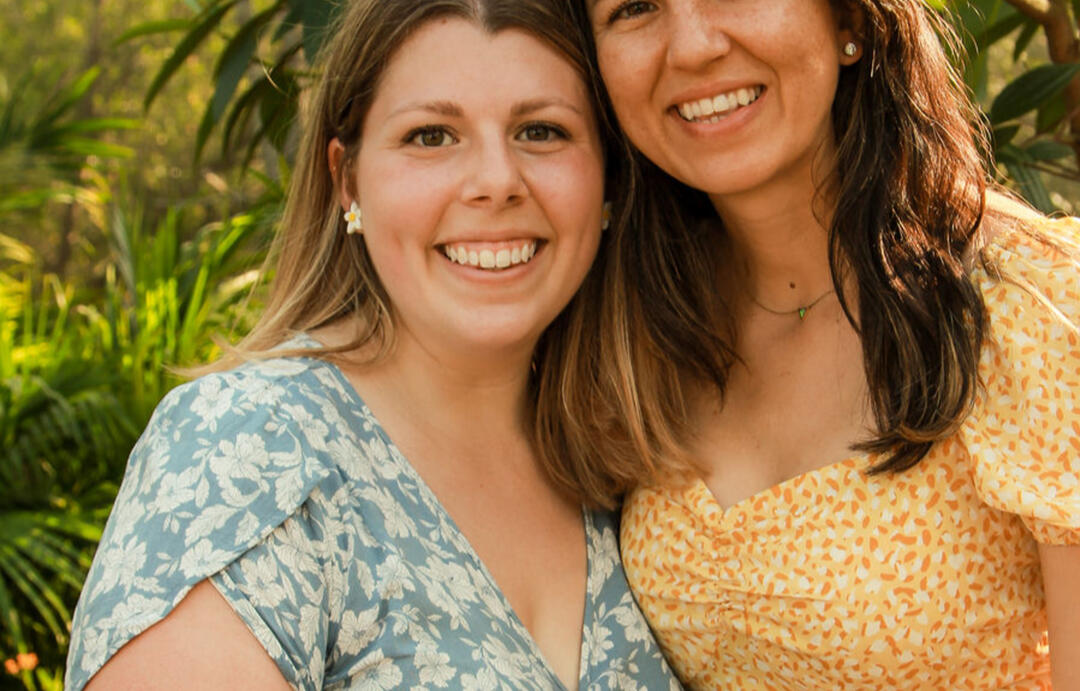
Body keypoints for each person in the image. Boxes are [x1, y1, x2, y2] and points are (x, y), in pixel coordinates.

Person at [565, 0, 1080, 688]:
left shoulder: (1045, 308)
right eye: (634, 7)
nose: (692, 46)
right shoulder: (630, 322)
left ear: (850, 22)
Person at [63, 1, 682, 689]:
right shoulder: (248, 450)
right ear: (347, 180)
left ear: (607, 179)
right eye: (431, 136)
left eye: (542, 131)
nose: (497, 182)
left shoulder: (637, 474)